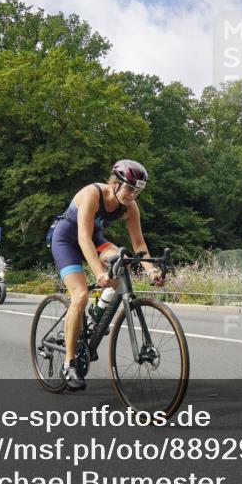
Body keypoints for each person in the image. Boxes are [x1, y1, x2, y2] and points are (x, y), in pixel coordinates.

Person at [49, 160, 165, 390]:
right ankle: (69, 363)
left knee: (123, 263)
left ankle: (98, 311)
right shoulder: (92, 194)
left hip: (95, 240)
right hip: (66, 240)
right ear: (114, 183)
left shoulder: (130, 207)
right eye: (130, 189)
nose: (133, 195)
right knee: (80, 295)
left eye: (138, 191)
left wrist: (151, 268)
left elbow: (139, 244)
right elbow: (83, 238)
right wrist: (99, 272)